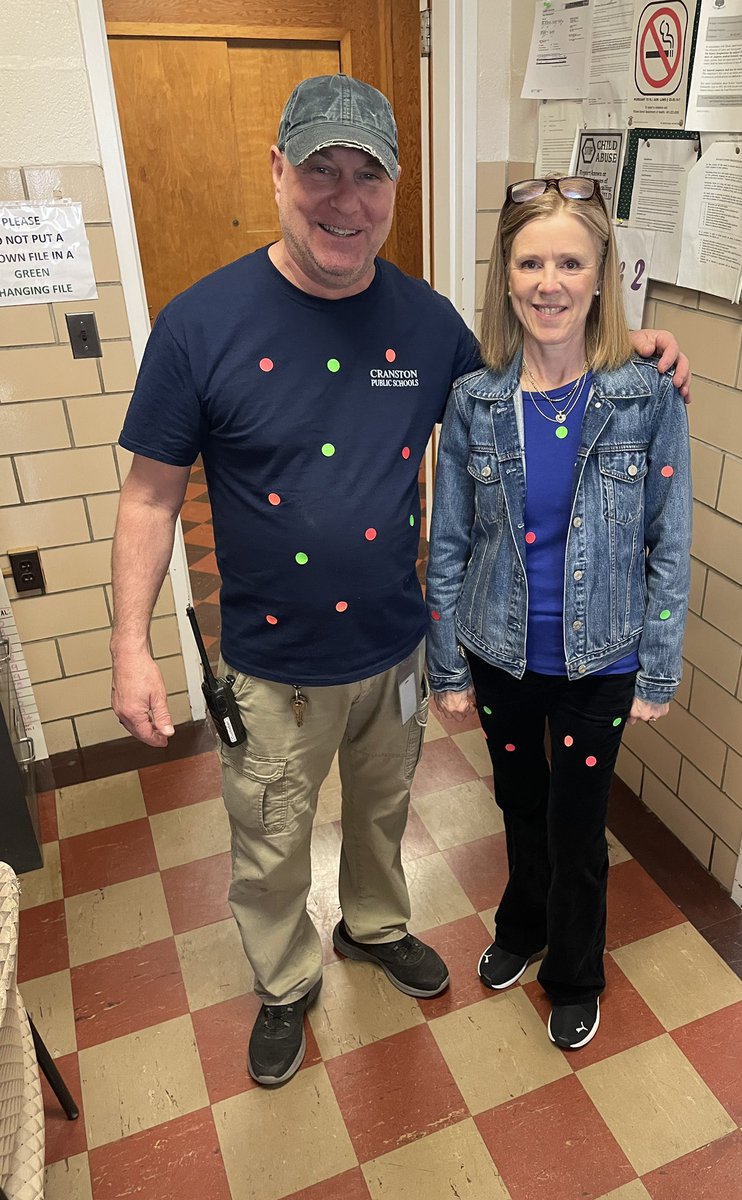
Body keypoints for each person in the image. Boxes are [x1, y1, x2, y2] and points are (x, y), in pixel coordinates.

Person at [110, 75, 691, 1087]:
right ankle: (287, 981)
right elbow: (150, 498)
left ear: (395, 187)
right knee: (271, 840)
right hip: (271, 663)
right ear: (278, 172)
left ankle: (375, 927)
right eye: (321, 171)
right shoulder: (198, 324)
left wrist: (630, 346)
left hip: (395, 648)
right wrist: (130, 647)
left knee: (382, 816)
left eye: (367, 175)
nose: (344, 200)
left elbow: (527, 375)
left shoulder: (425, 327)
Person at [426, 175, 691, 1051]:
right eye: (531, 260)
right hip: (502, 652)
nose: (550, 282)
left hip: (600, 662)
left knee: (577, 826)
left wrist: (657, 663)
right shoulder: (473, 403)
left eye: (569, 262)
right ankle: (522, 926)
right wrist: (447, 662)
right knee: (519, 803)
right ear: (505, 274)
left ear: (599, 274)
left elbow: (668, 539)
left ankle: (576, 971)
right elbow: (452, 542)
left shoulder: (644, 398)